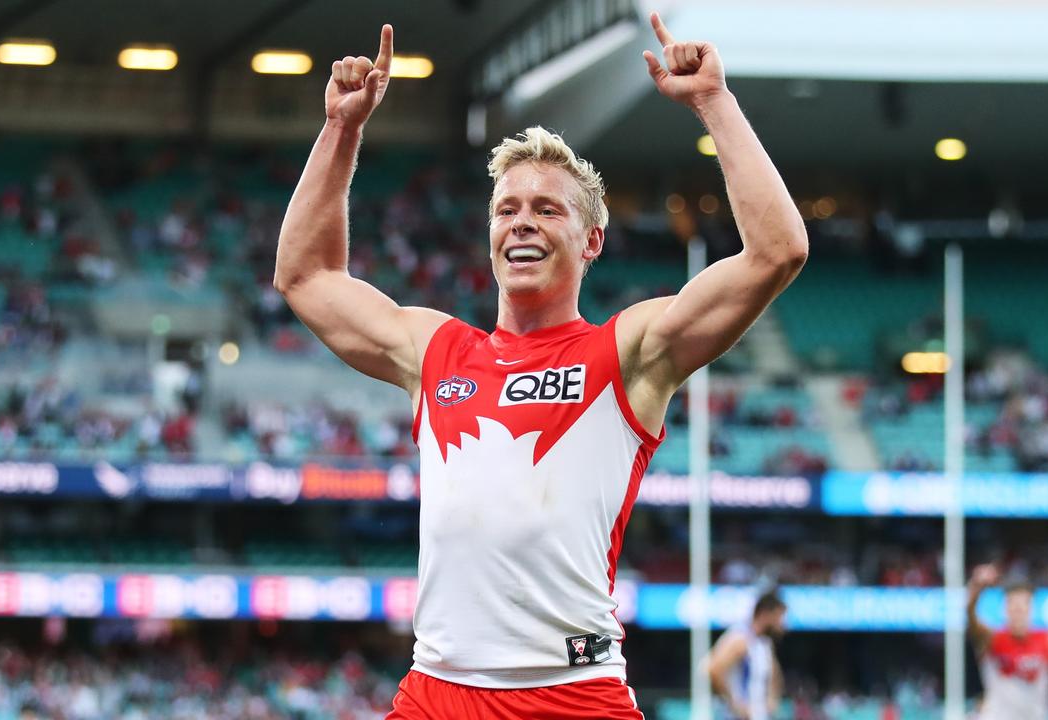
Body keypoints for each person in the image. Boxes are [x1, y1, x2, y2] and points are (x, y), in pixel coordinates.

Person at [274, 13, 807, 718]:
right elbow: (304, 275)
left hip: (572, 696)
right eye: (507, 209)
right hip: (437, 693)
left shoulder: (629, 351)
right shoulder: (436, 350)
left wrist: (714, 101)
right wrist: (342, 130)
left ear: (590, 241)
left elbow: (777, 252)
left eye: (547, 210)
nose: (521, 221)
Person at [968, 564, 1048, 720]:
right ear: (1006, 608)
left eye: (1023, 605)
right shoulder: (991, 638)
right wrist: (977, 587)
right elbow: (970, 616)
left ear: (1030, 607)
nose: (1018, 611)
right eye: (1013, 605)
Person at [705, 590, 787, 719]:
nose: (783, 624)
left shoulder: (764, 643)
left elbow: (774, 676)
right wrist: (735, 704)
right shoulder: (740, 638)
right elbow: (713, 669)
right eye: (780, 617)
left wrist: (772, 699)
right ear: (765, 615)